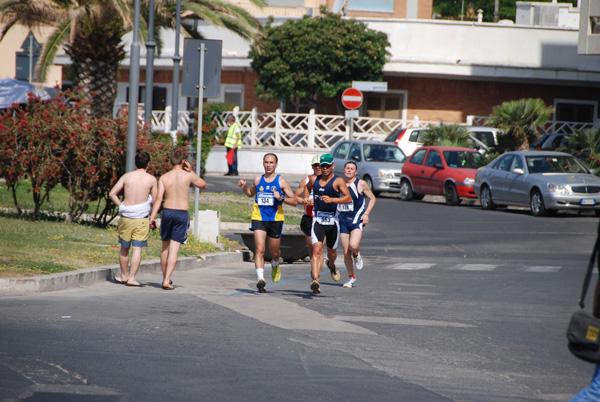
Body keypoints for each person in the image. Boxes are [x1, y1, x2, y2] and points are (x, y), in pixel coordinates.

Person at [238, 153, 298, 293]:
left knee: (274, 252)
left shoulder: (281, 181)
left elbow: (294, 201)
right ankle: (260, 279)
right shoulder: (258, 179)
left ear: (276, 164)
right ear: (263, 163)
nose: (268, 165)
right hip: (259, 217)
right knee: (259, 249)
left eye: (271, 162)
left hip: (275, 219)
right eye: (266, 162)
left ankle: (275, 264)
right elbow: (250, 193)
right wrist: (244, 187)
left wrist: (281, 197)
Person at [149, 149, 207, 290]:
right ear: (183, 161)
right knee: (174, 248)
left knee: (165, 248)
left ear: (170, 161)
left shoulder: (164, 177)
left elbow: (158, 199)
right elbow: (203, 185)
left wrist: (152, 217)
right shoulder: (187, 176)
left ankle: (165, 278)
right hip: (181, 213)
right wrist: (191, 171)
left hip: (167, 212)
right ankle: (167, 280)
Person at [301, 153, 352, 294]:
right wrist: (306, 198)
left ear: (332, 166)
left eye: (327, 166)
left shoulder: (338, 181)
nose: (323, 168)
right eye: (321, 166)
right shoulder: (314, 179)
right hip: (317, 220)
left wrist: (333, 200)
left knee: (332, 252)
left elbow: (348, 198)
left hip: (333, 222)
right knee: (316, 250)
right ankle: (315, 281)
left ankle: (331, 264)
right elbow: (307, 188)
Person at [108, 152, 158, 287]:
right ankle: (132, 278)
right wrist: (153, 218)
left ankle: (123, 276)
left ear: (135, 163)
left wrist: (122, 205)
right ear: (148, 164)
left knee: (124, 247)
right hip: (141, 218)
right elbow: (155, 200)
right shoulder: (151, 179)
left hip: (126, 216)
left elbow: (112, 193)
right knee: (137, 249)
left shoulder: (126, 176)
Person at [338, 161, 376, 288]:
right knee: (345, 251)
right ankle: (351, 277)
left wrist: (366, 214)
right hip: (342, 220)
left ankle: (357, 254)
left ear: (355, 172)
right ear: (344, 170)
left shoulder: (360, 184)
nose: (349, 170)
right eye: (347, 168)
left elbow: (372, 198)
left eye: (352, 169)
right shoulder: (339, 183)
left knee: (353, 245)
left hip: (356, 220)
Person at [294, 154, 322, 261]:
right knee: (312, 248)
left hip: (322, 218)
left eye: (320, 165)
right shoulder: (306, 180)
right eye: (316, 165)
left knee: (318, 249)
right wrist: (304, 201)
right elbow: (296, 197)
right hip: (309, 217)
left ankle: (323, 268)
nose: (318, 167)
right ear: (312, 167)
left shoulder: (328, 181)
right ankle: (315, 273)